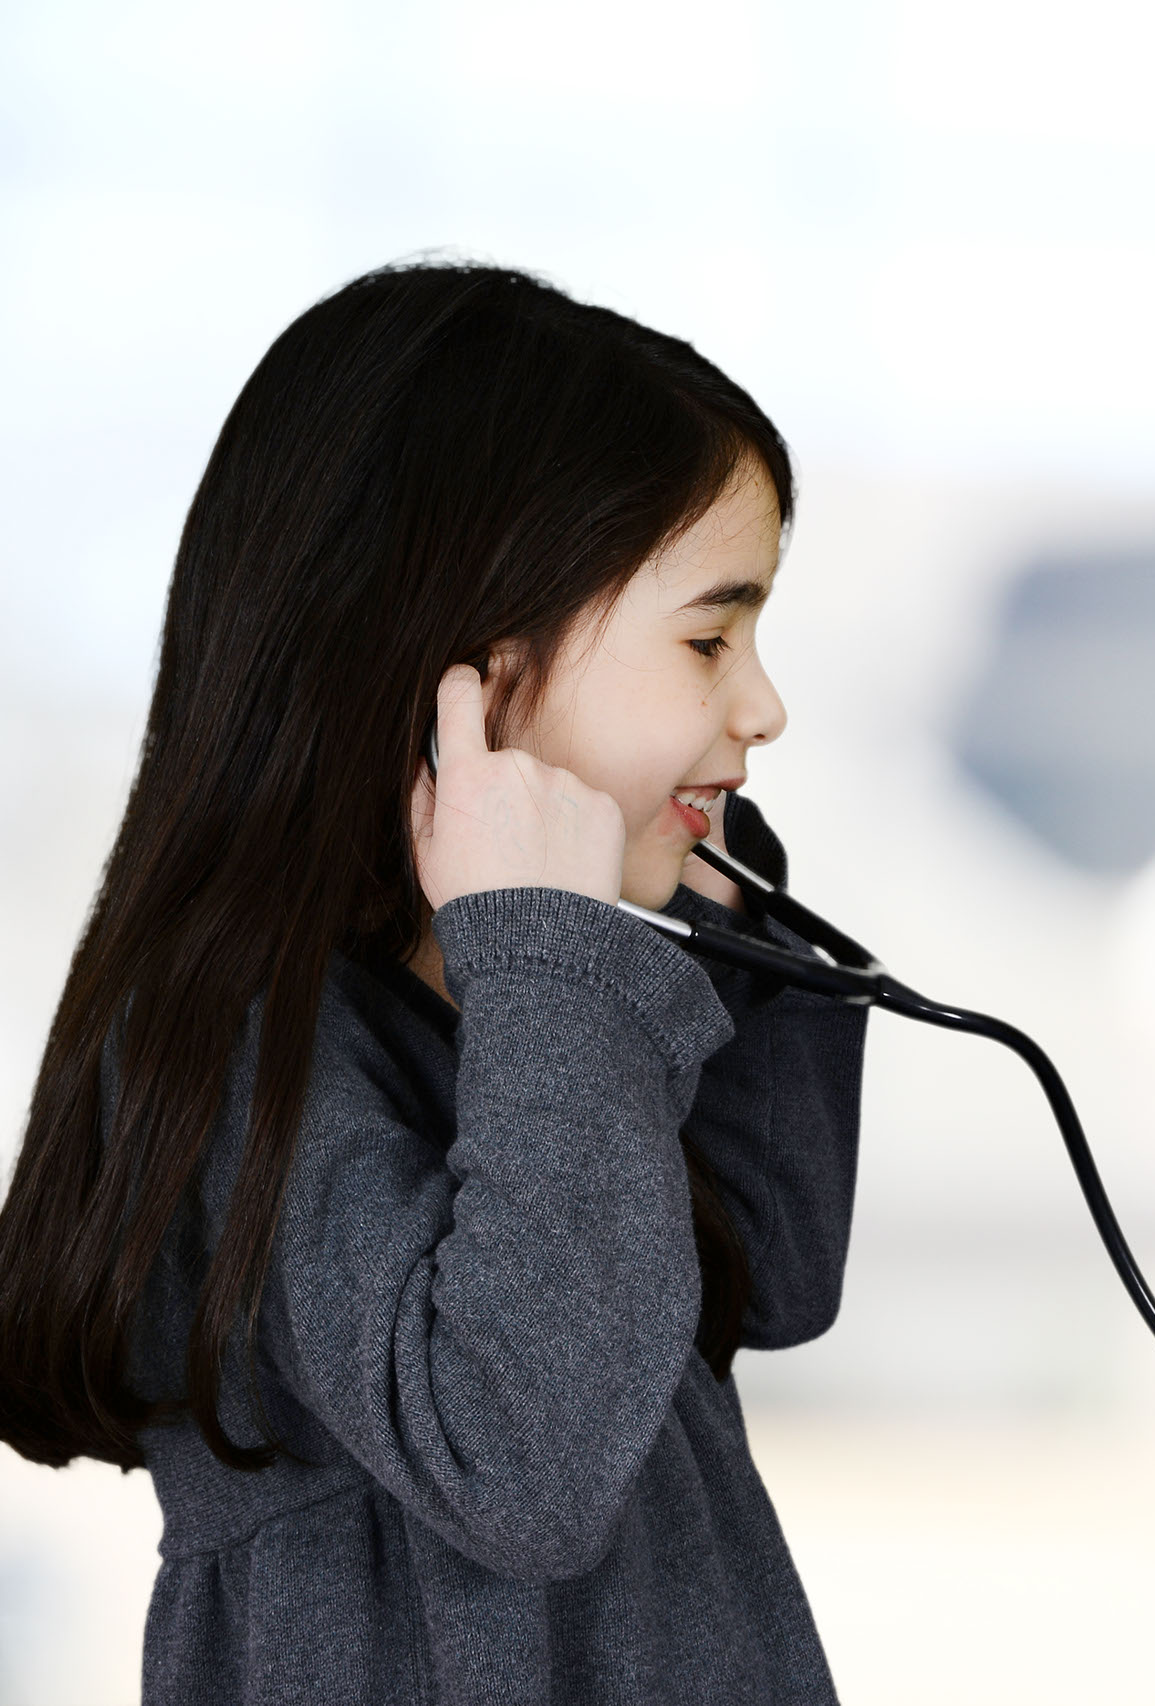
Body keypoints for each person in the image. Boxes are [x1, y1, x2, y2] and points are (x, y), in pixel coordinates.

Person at [0, 263, 863, 1703]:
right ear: (464, 673)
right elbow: (523, 1463)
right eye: (709, 639)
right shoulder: (257, 1061)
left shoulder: (528, 1024)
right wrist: (551, 946)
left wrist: (733, 942)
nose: (762, 706)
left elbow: (762, 1273)